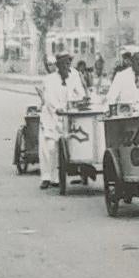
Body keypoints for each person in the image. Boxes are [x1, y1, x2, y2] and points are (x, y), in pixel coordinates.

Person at [38, 53, 86, 190]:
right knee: (50, 147)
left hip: (68, 115)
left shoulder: (75, 76)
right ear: (58, 66)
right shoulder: (49, 80)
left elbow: (80, 93)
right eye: (64, 64)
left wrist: (79, 100)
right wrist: (58, 109)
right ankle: (46, 177)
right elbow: (48, 99)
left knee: (66, 145)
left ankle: (58, 176)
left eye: (68, 64)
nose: (67, 67)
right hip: (51, 116)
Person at [105, 47, 139, 112]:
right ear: (131, 60)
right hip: (125, 116)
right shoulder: (121, 76)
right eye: (136, 59)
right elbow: (110, 98)